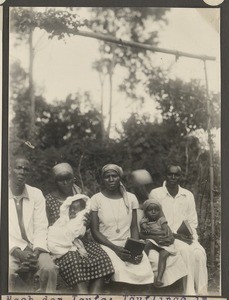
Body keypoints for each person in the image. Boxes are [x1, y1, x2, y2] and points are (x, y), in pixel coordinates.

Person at [45, 162, 114, 293]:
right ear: (55, 182)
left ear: (73, 179)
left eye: (68, 179)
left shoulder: (82, 197)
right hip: (62, 245)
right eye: (61, 180)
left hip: (82, 241)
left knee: (102, 258)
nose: (65, 183)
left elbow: (90, 223)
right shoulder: (48, 200)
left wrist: (85, 223)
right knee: (73, 262)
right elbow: (46, 227)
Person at [91, 164, 154, 287]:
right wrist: (115, 249)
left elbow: (134, 227)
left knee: (144, 271)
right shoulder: (96, 199)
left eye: (114, 176)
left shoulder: (131, 198)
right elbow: (95, 231)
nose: (111, 179)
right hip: (107, 245)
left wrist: (135, 250)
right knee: (121, 272)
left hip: (128, 245)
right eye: (107, 176)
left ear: (119, 177)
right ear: (102, 179)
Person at [149, 163, 208, 295]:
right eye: (170, 174)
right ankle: (189, 293)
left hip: (186, 237)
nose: (173, 177)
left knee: (199, 253)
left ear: (180, 177)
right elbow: (155, 221)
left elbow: (193, 222)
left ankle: (203, 293)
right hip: (166, 237)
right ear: (166, 175)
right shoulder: (156, 194)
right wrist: (176, 237)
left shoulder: (187, 195)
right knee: (186, 251)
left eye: (176, 175)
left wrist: (191, 237)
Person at [9, 155, 58, 293]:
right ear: (10, 169)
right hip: (9, 249)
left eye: (26, 169)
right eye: (19, 168)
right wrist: (17, 252)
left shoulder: (36, 194)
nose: (22, 172)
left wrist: (35, 253)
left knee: (49, 269)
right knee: (7, 272)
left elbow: (41, 226)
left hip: (34, 248)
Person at [140, 199, 176, 287]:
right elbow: (143, 233)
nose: (153, 212)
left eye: (156, 210)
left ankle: (159, 278)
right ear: (145, 211)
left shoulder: (161, 220)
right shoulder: (144, 220)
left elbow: (165, 231)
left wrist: (152, 233)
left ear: (159, 211)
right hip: (153, 241)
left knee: (163, 255)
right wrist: (148, 231)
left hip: (164, 241)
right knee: (147, 243)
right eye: (150, 210)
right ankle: (142, 269)